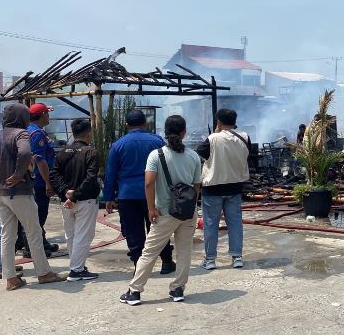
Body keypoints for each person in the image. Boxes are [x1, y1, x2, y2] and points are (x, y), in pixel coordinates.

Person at [120, 115, 201, 306]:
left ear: (165, 132)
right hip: (188, 213)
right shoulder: (193, 156)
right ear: (184, 132)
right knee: (184, 252)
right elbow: (197, 186)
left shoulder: (156, 155)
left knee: (149, 253)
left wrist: (151, 208)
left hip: (164, 212)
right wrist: (188, 205)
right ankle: (178, 289)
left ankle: (134, 292)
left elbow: (148, 183)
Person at [0, 103, 64, 290]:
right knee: (34, 232)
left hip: (0, 192)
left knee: (8, 235)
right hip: (19, 192)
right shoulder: (21, 134)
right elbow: (25, 152)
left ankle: (11, 278)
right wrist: (18, 174)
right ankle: (44, 273)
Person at [103, 110, 176, 274]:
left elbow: (111, 173)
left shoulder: (118, 145)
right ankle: (166, 262)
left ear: (127, 125)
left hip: (127, 195)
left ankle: (139, 265)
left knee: (133, 232)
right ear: (145, 123)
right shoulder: (157, 141)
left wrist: (108, 197)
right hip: (154, 194)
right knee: (158, 229)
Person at [196, 109, 250, 270]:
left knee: (211, 224)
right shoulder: (244, 137)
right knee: (235, 223)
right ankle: (237, 257)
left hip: (213, 188)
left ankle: (210, 259)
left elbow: (201, 154)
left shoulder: (212, 138)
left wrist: (216, 133)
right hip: (235, 187)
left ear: (218, 122)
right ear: (234, 121)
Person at [49, 119, 101, 281]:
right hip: (85, 200)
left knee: (71, 235)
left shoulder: (63, 152)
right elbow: (91, 178)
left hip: (66, 201)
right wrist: (76, 196)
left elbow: (53, 175)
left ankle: (76, 265)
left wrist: (66, 192)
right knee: (83, 236)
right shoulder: (91, 152)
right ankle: (77, 270)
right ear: (88, 133)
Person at [27, 103, 59, 255]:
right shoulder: (37, 134)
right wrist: (48, 182)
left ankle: (41, 240)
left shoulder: (33, 131)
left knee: (37, 213)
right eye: (47, 113)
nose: (49, 117)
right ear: (41, 116)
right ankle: (31, 247)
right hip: (39, 180)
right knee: (39, 213)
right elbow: (40, 160)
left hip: (36, 179)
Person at [0, 156, 24, 279]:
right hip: (2, 192)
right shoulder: (1, 145)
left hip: (0, 192)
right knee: (2, 229)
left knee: (5, 229)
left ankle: (5, 265)